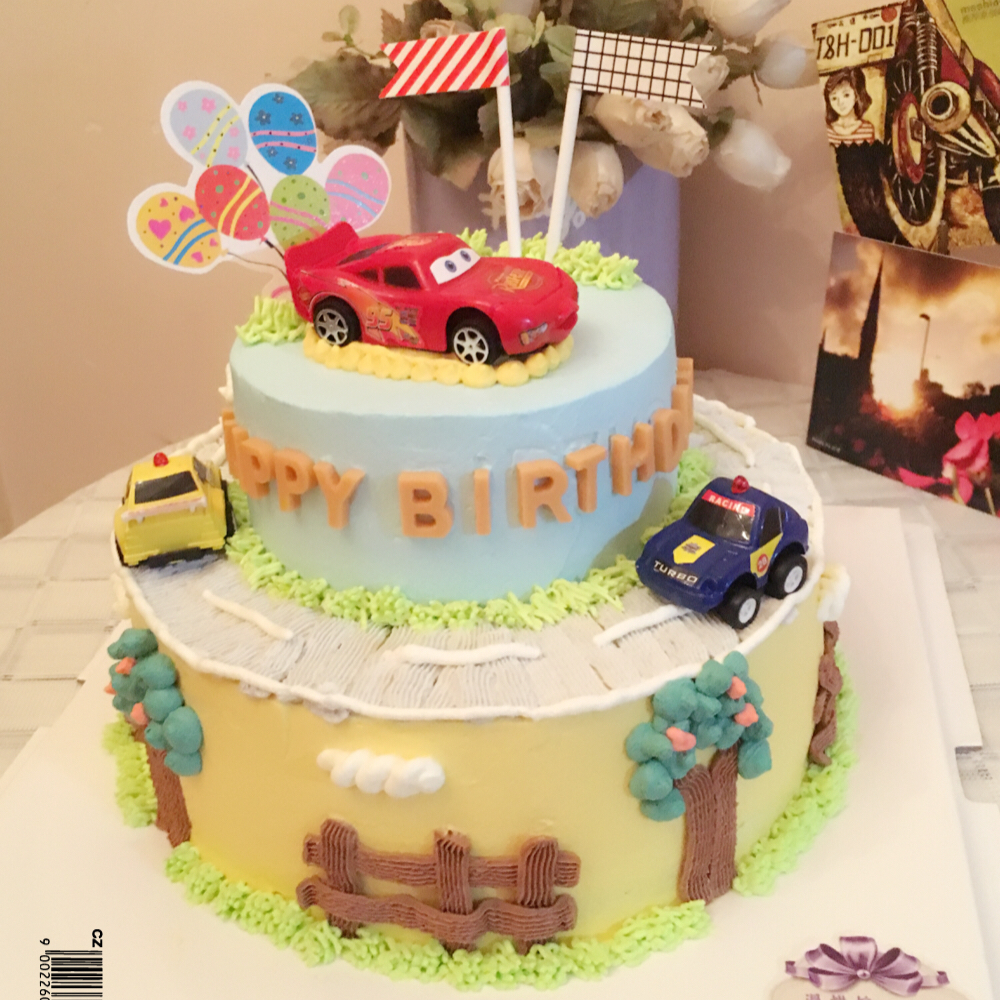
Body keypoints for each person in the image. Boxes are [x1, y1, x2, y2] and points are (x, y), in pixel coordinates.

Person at [824, 68, 876, 146]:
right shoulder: (826, 130)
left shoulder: (867, 129)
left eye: (846, 95)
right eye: (834, 98)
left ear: (856, 95)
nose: (840, 103)